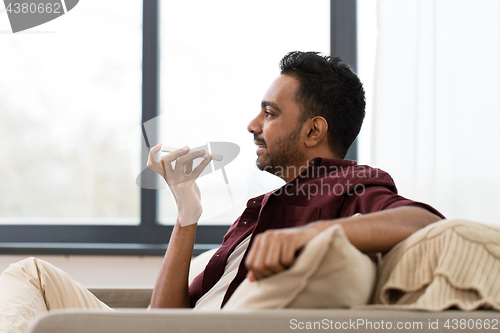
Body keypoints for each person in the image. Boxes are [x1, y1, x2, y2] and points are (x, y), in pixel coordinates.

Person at [0, 51, 443, 332]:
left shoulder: (346, 187)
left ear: (313, 130)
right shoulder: (267, 208)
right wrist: (186, 214)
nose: (253, 125)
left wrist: (307, 237)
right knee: (32, 274)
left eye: (269, 113)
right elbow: (164, 320)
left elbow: (424, 222)